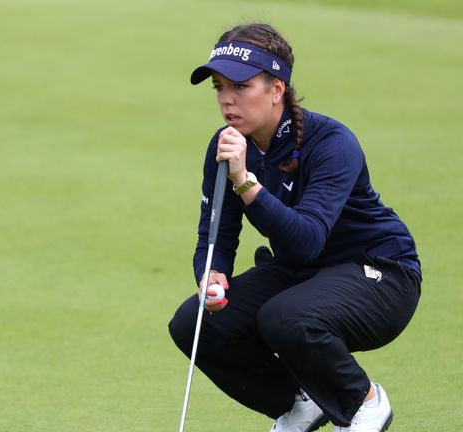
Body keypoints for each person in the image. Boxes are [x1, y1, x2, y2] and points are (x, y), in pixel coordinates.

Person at [168, 23, 421, 432]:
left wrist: (246, 182)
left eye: (240, 86)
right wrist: (210, 274)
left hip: (381, 275)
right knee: (194, 323)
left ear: (276, 89)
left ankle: (363, 402)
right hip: (303, 274)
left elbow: (306, 240)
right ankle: (299, 404)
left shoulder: (332, 142)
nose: (226, 100)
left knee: (284, 317)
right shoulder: (229, 144)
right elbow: (215, 235)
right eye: (218, 87)